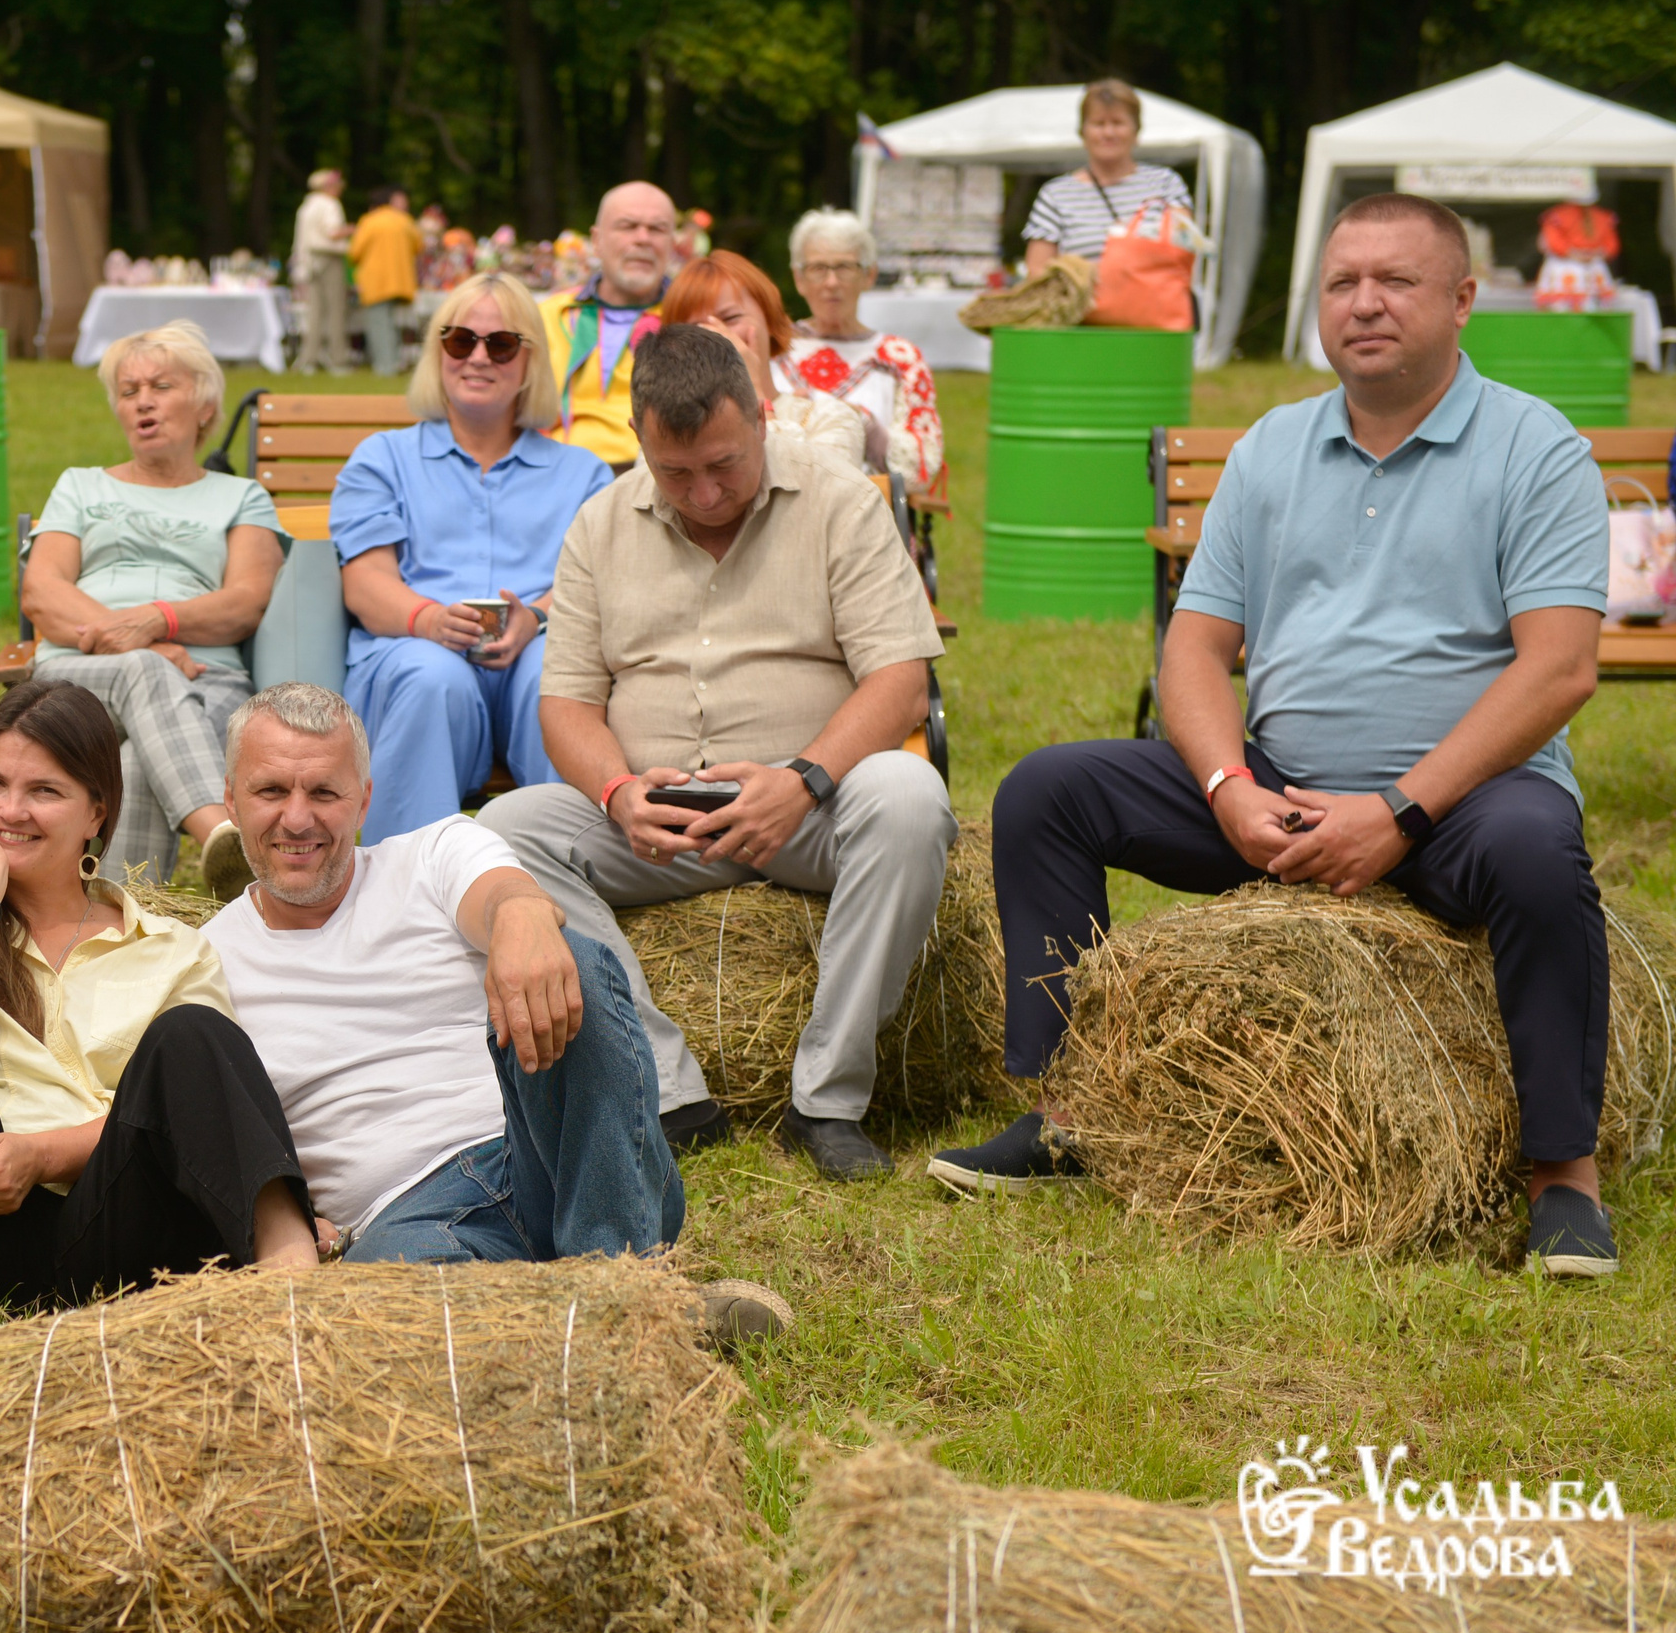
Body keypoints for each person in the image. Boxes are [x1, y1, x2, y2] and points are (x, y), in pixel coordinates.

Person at [932, 194, 1623, 1279]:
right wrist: (1225, 786)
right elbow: (1194, 652)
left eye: (1394, 281)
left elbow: (1559, 667)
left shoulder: (1534, 450)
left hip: (1460, 804)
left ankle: (1562, 1177)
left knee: (1541, 851)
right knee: (1046, 790)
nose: (1363, 304)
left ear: (1459, 300)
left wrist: (1400, 811)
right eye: (1341, 282)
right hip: (1279, 792)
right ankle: (1067, 1111)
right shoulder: (1272, 448)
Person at [480, 325, 956, 1167]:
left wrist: (805, 780)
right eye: (676, 472)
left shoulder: (843, 500)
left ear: (762, 419)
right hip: (657, 822)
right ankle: (663, 1085)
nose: (703, 493)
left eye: (724, 464)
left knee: (911, 799)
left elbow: (900, 679)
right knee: (508, 828)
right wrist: (616, 793)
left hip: (812, 809)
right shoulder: (600, 524)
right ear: (640, 442)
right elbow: (567, 707)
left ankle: (829, 1101)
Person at [196, 683, 790, 1345]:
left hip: (552, 1158)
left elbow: (504, 893)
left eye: (325, 793)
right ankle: (622, 1319)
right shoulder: (203, 963)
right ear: (230, 798)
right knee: (392, 1312)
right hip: (410, 1224)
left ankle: (623, 1292)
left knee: (574, 958)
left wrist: (520, 913)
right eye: (271, 791)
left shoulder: (433, 853)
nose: (298, 818)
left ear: (363, 799)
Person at [0, 680, 323, 1366]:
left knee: (196, 1035)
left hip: (123, 1233)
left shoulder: (169, 947)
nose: (11, 809)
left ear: (96, 814)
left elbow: (194, 1117)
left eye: (44, 790)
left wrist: (40, 1154)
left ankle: (297, 1286)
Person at [333, 271, 611, 842]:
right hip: (413, 650)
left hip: (538, 645)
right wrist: (429, 620)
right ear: (438, 353)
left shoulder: (583, 474)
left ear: (530, 361)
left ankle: (573, 873)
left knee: (554, 674)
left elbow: (599, 584)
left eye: (501, 344)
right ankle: (405, 884)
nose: (478, 358)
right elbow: (366, 583)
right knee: (432, 674)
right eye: (460, 341)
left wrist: (536, 615)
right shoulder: (383, 459)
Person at [22, 321, 284, 896]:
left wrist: (162, 619)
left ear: (205, 404)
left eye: (160, 386)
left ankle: (122, 935)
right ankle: (220, 832)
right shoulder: (81, 486)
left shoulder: (241, 498)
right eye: (128, 390)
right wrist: (144, 644)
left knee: (137, 766)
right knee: (146, 669)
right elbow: (42, 590)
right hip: (81, 678)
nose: (142, 401)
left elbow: (246, 600)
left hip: (206, 681)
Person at [662, 249, 869, 470]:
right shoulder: (668, 429)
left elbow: (808, 494)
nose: (716, 336)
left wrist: (754, 395)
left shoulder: (830, 418)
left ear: (769, 320)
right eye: (697, 328)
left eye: (731, 318)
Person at [783, 208, 946, 485]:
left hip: (870, 513)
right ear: (799, 279)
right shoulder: (775, 347)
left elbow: (924, 466)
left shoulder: (900, 358)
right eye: (818, 269)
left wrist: (865, 425)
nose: (831, 282)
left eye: (844, 267)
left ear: (869, 276)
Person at [539, 182, 684, 469]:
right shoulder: (548, 315)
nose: (643, 239)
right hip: (558, 475)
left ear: (672, 243)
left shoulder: (693, 316)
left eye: (657, 229)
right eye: (627, 226)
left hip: (661, 481)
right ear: (597, 240)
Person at [1020, 78, 1195, 275]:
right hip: (1086, 306)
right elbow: (1038, 273)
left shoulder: (1165, 184)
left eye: (1118, 123)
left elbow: (1185, 249)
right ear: (1083, 132)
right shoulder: (1055, 195)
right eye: (1099, 123)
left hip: (1156, 303)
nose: (1108, 132)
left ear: (1136, 131)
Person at [348, 186, 421, 376]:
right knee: (391, 323)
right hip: (401, 281)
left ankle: (385, 366)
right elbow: (418, 246)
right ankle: (394, 362)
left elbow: (355, 252)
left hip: (376, 281)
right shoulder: (406, 221)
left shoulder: (370, 221)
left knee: (379, 324)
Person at [290, 168, 350, 374]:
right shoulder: (330, 204)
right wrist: (353, 230)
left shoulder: (306, 206)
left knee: (314, 312)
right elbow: (332, 232)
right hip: (329, 259)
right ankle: (337, 359)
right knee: (335, 311)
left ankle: (309, 359)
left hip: (310, 262)